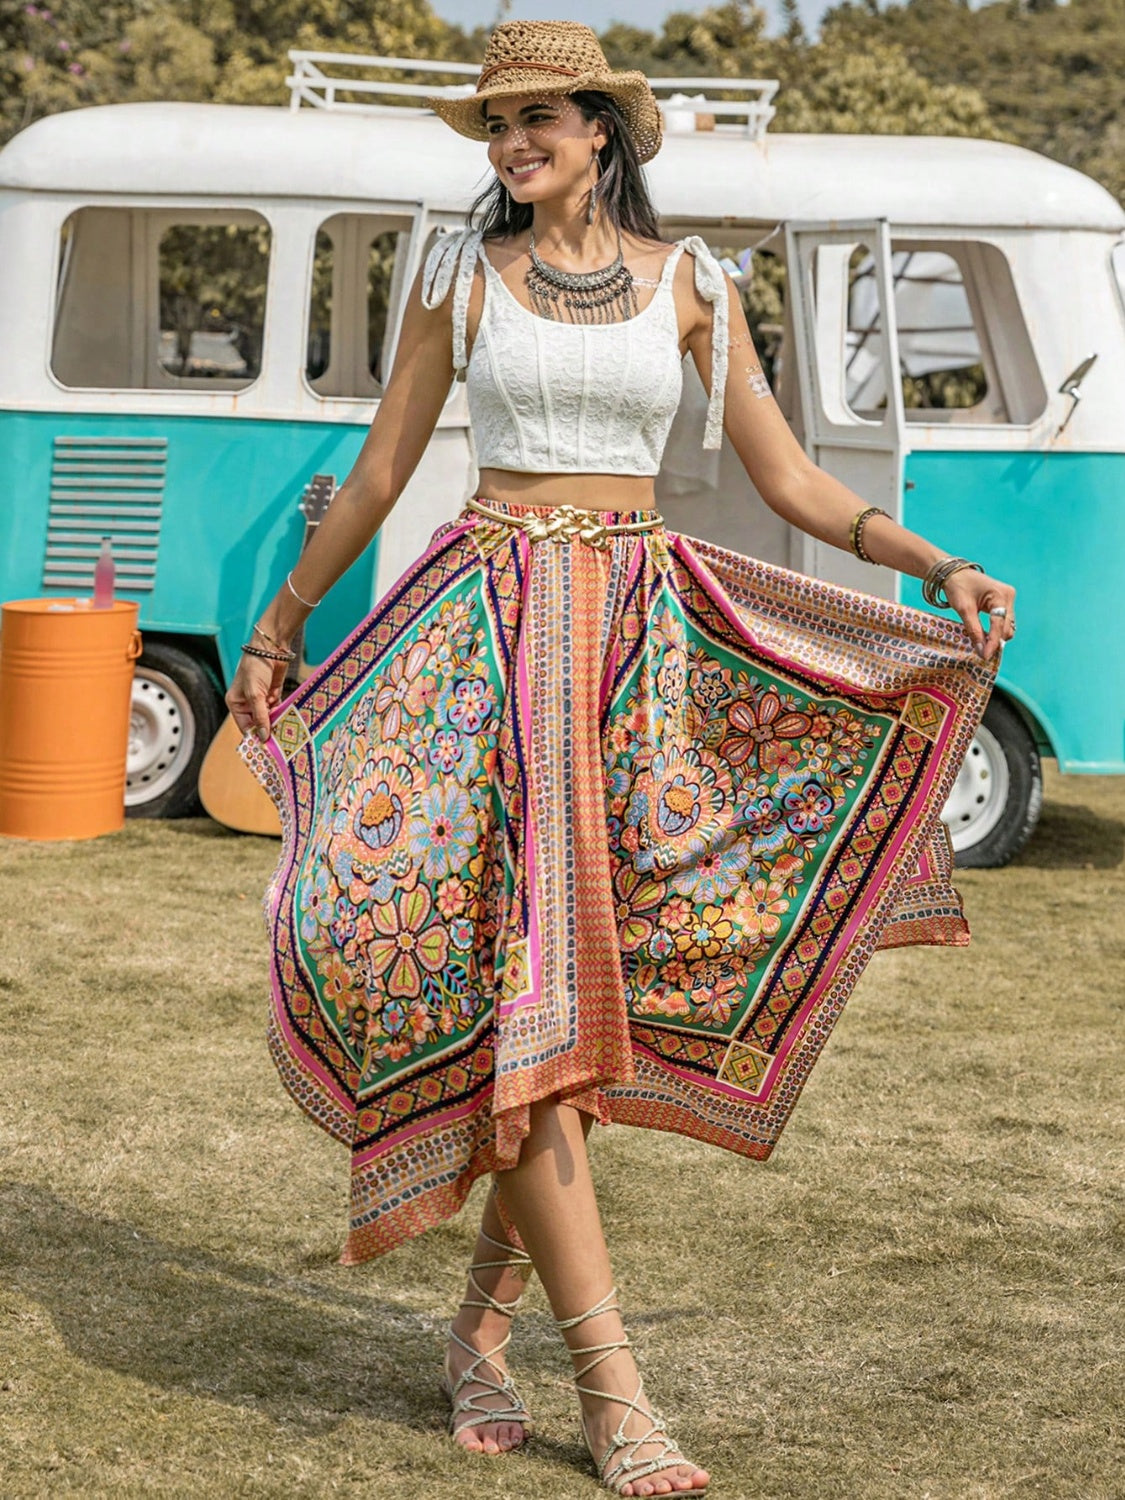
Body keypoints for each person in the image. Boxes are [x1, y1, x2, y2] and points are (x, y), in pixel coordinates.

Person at [225, 20, 1015, 1496]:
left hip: (640, 646)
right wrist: (279, 622)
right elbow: (387, 468)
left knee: (589, 997)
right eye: (496, 125)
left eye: (539, 119)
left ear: (601, 130)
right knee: (527, 986)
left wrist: (932, 558)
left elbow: (787, 480)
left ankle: (477, 1330)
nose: (512, 144)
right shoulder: (459, 282)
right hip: (489, 642)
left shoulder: (696, 284)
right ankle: (615, 1386)